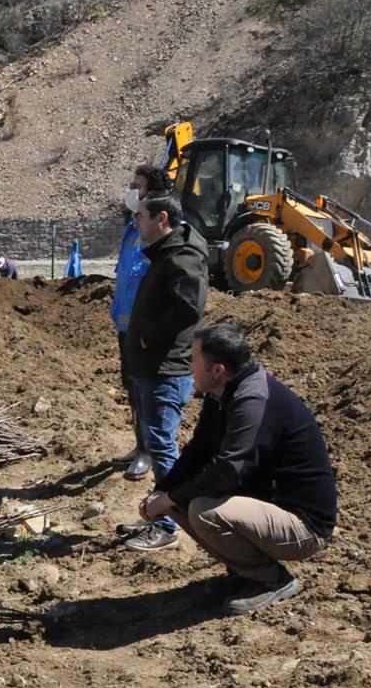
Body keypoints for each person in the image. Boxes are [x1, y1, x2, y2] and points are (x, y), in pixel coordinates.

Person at [140, 322, 336, 614]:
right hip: (267, 506)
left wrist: (172, 497)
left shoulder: (251, 399)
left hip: (303, 526)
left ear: (217, 370)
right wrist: (163, 492)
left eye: (193, 361)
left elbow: (229, 470)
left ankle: (273, 581)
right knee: (179, 500)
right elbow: (199, 449)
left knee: (204, 510)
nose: (188, 367)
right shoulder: (223, 391)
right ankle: (244, 574)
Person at [122, 192, 210, 552]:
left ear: (162, 219)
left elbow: (189, 308)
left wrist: (146, 337)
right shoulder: (169, 252)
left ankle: (168, 523)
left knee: (161, 445)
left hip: (165, 369)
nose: (135, 222)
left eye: (141, 216)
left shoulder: (182, 256)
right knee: (159, 443)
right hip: (153, 366)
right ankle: (160, 513)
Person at [110, 164, 170, 481]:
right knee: (131, 387)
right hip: (125, 321)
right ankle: (139, 446)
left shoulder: (160, 229)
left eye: (138, 185)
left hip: (145, 325)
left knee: (147, 390)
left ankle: (149, 453)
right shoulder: (133, 227)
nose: (132, 190)